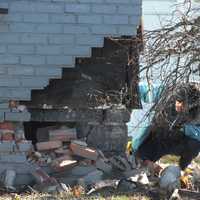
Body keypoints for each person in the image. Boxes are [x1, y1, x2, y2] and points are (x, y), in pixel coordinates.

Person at [137, 83, 200, 170]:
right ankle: (147, 161)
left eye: (183, 104)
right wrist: (134, 89)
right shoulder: (172, 93)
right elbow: (149, 91)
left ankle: (181, 169)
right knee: (140, 157)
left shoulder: (196, 111)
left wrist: (184, 129)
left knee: (194, 145)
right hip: (161, 134)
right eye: (179, 101)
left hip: (182, 140)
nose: (180, 105)